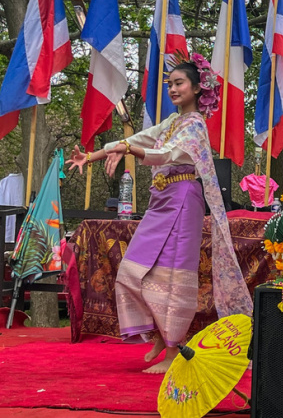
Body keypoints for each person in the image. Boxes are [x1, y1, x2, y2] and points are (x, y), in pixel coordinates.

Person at [67, 54, 252, 374]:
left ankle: (172, 350)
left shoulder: (195, 126)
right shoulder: (173, 123)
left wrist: (129, 150)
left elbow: (163, 154)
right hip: (161, 201)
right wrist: (91, 156)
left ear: (197, 88)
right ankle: (159, 332)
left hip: (183, 200)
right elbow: (135, 139)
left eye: (179, 83)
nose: (172, 88)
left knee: (173, 277)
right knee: (130, 273)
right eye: (170, 84)